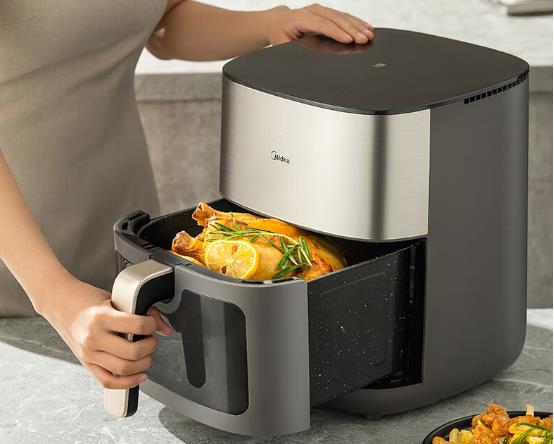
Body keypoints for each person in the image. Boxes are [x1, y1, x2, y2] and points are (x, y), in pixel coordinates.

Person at [0, 1, 373, 390]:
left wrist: (268, 24)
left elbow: (161, 23)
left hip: (121, 248)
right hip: (21, 279)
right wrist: (56, 295)